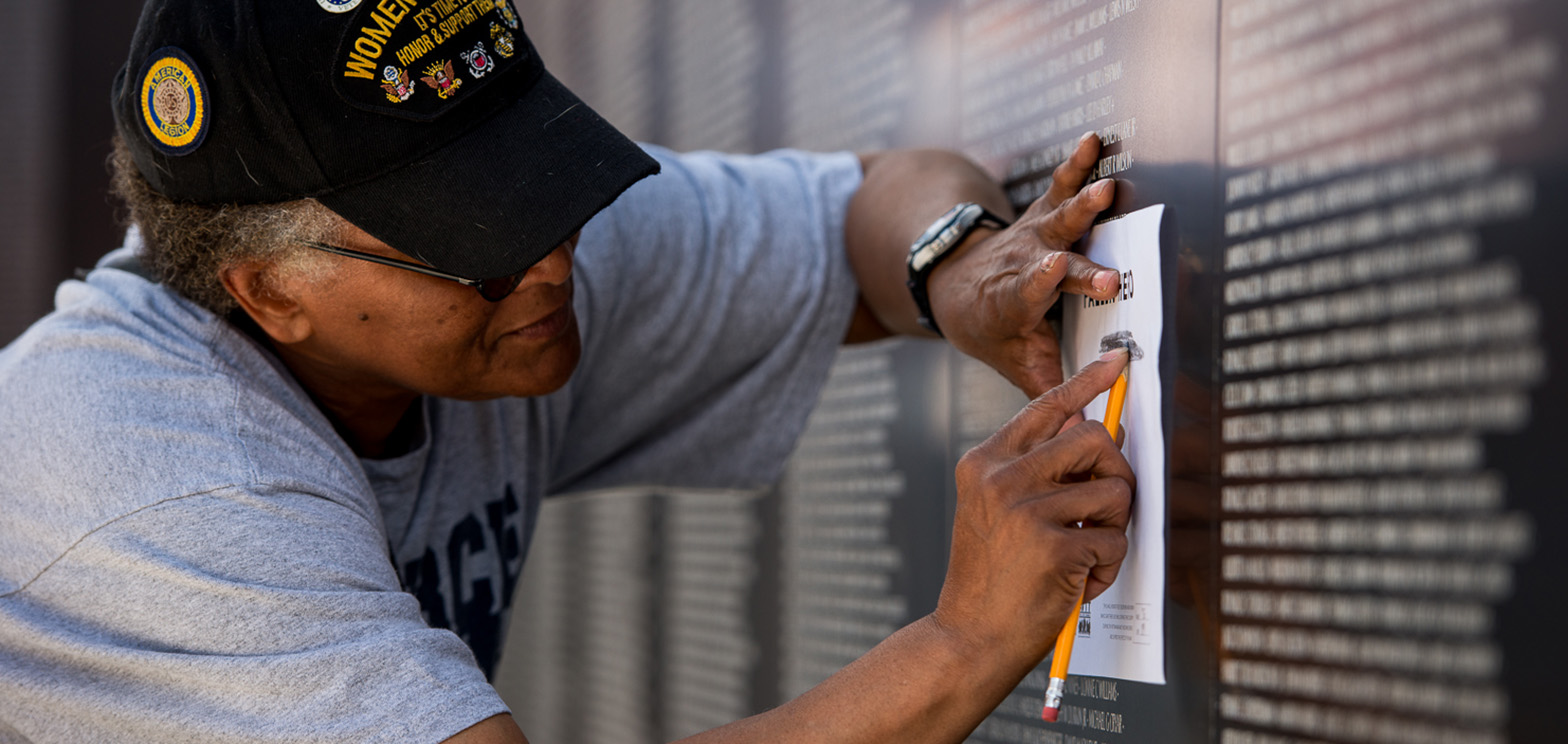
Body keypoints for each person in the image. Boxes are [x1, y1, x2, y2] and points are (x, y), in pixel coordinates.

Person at [0, 1, 1135, 742]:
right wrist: (961, 643)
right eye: (473, 237)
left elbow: (864, 206)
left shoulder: (486, 288)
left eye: (546, 189)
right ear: (270, 291)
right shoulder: (165, 486)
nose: (546, 262)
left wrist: (957, 265)